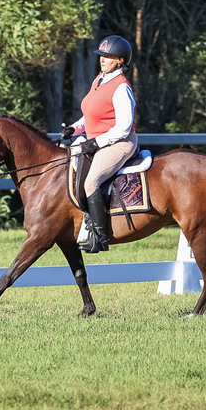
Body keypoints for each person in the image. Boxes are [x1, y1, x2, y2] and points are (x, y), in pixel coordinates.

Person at [60, 35, 138, 253]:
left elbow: (123, 127)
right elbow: (91, 115)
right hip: (98, 141)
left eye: (108, 56)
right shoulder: (99, 80)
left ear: (121, 60)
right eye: (101, 56)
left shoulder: (121, 87)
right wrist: (74, 129)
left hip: (120, 143)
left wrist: (94, 143)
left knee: (91, 182)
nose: (102, 59)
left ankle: (101, 237)